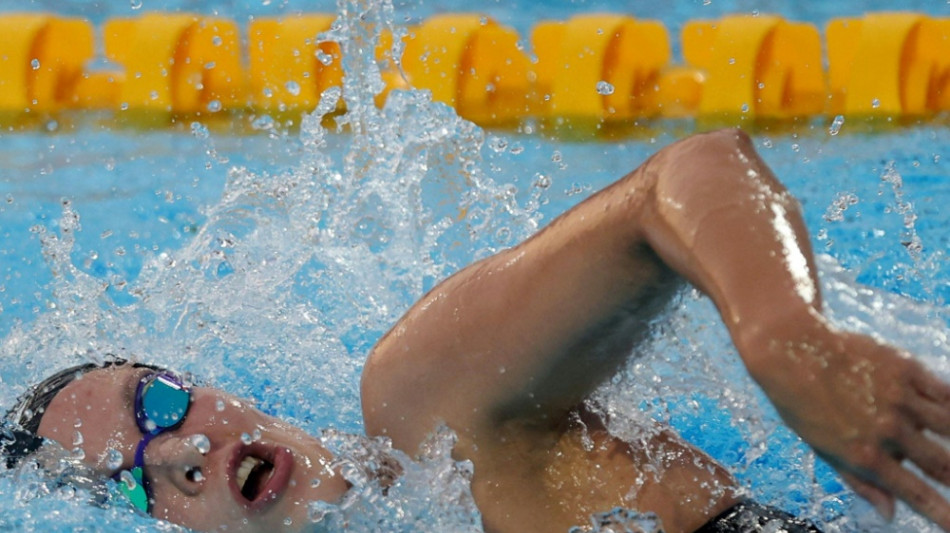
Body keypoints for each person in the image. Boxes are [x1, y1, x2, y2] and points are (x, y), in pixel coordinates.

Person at [4, 128, 950, 532]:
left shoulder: (431, 422)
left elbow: (687, 175)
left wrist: (784, 333)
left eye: (158, 403)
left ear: (209, 383)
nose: (184, 450)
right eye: (132, 480)